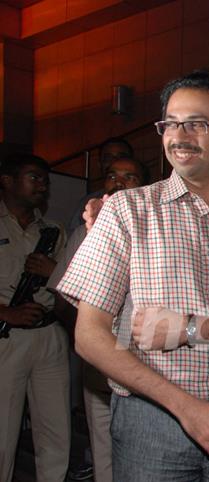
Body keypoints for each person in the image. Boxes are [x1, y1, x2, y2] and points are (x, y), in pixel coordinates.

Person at [57, 70, 209, 481]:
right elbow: (89, 335)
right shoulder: (127, 211)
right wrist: (186, 408)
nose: (178, 135)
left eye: (196, 123)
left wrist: (190, 328)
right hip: (149, 416)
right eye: (170, 123)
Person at [49, 155, 146, 482]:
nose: (118, 183)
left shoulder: (155, 234)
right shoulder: (83, 234)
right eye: (111, 176)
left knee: (143, 454)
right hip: (99, 366)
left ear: (142, 185)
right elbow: (62, 299)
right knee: (103, 452)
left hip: (143, 365)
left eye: (129, 177)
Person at [0, 153, 69, 482]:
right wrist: (6, 312)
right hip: (7, 337)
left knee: (56, 431)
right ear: (8, 181)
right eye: (33, 177)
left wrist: (54, 272)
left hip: (49, 335)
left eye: (45, 180)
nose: (42, 185)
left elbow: (73, 287)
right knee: (4, 431)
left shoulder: (53, 231)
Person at [68, 137, 134, 231]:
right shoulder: (86, 202)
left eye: (121, 157)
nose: (114, 161)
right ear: (100, 164)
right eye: (108, 158)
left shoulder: (147, 202)